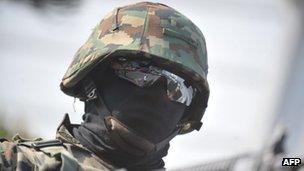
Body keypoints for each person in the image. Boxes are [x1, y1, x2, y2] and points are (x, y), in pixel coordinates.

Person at [0, 2, 209, 170]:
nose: (160, 94)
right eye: (141, 72)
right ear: (93, 78)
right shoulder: (14, 163)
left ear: (187, 114)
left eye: (179, 88)